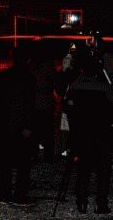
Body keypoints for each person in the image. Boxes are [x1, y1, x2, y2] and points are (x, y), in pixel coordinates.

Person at [63, 48, 113, 214]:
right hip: (102, 134)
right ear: (99, 70)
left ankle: (82, 201)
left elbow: (68, 108)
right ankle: (101, 203)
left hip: (82, 135)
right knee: (103, 171)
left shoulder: (75, 86)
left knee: (83, 169)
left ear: (83, 69)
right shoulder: (106, 88)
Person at [0, 46, 38, 206]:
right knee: (23, 164)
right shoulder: (29, 78)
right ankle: (20, 196)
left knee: (4, 163)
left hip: (4, 125)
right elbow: (29, 105)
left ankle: (5, 195)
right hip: (21, 127)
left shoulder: (2, 76)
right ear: (28, 60)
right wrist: (28, 126)